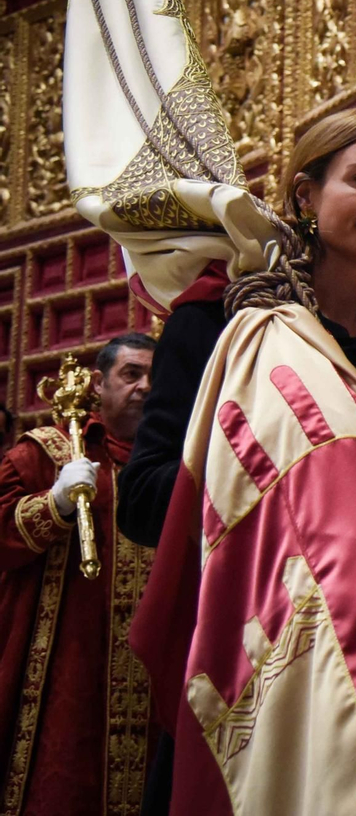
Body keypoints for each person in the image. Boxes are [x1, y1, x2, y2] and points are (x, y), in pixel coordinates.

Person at [119, 110, 356, 814]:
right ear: (305, 194)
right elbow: (144, 495)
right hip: (247, 655)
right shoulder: (220, 327)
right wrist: (272, 504)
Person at [0, 333, 154, 815]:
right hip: (65, 666)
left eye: (156, 377)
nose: (146, 387)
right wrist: (55, 503)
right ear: (97, 383)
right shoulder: (45, 453)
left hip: (154, 671)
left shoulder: (182, 460)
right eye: (132, 374)